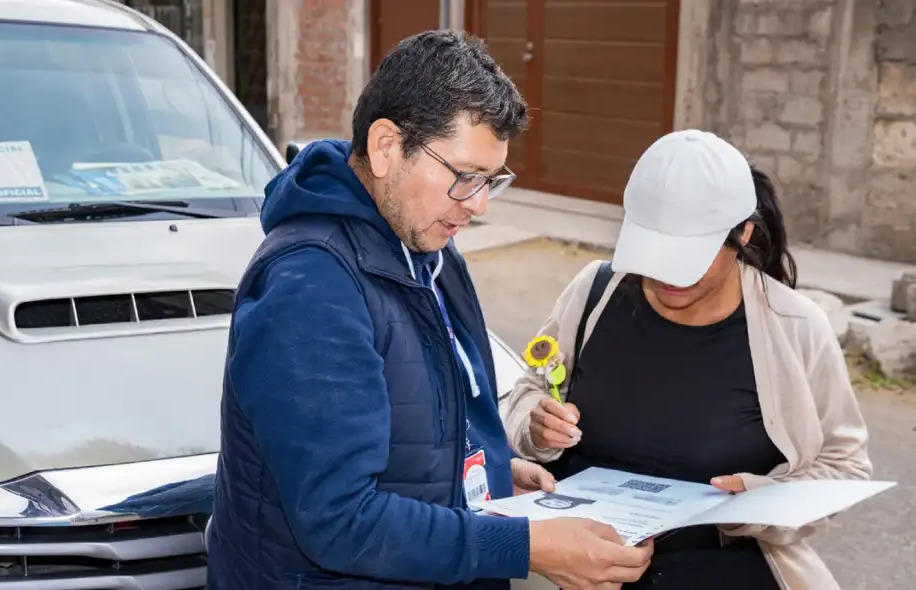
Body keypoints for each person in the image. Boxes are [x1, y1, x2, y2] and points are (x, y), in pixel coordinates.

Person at [206, 30, 653, 590]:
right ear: (387, 146)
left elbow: (415, 429)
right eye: (465, 177)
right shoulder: (312, 285)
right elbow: (340, 521)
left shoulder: (427, 247)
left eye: (492, 181)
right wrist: (525, 546)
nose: (480, 205)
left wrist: (485, 474)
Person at [503, 129, 873, 590]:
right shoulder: (593, 295)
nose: (667, 277)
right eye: (655, 254)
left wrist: (756, 503)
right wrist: (537, 427)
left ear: (743, 231)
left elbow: (844, 466)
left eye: (689, 258)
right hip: (580, 569)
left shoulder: (795, 326)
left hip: (723, 570)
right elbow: (529, 391)